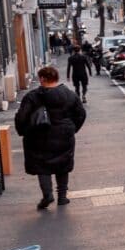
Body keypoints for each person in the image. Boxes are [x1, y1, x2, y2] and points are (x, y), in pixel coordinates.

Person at [15, 65, 86, 210]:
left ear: (42, 78)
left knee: (42, 166)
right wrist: (72, 129)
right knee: (63, 165)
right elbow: (81, 114)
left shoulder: (33, 96)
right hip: (64, 135)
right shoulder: (69, 94)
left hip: (38, 137)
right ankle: (62, 197)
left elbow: (22, 117)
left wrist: (23, 131)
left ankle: (47, 195)